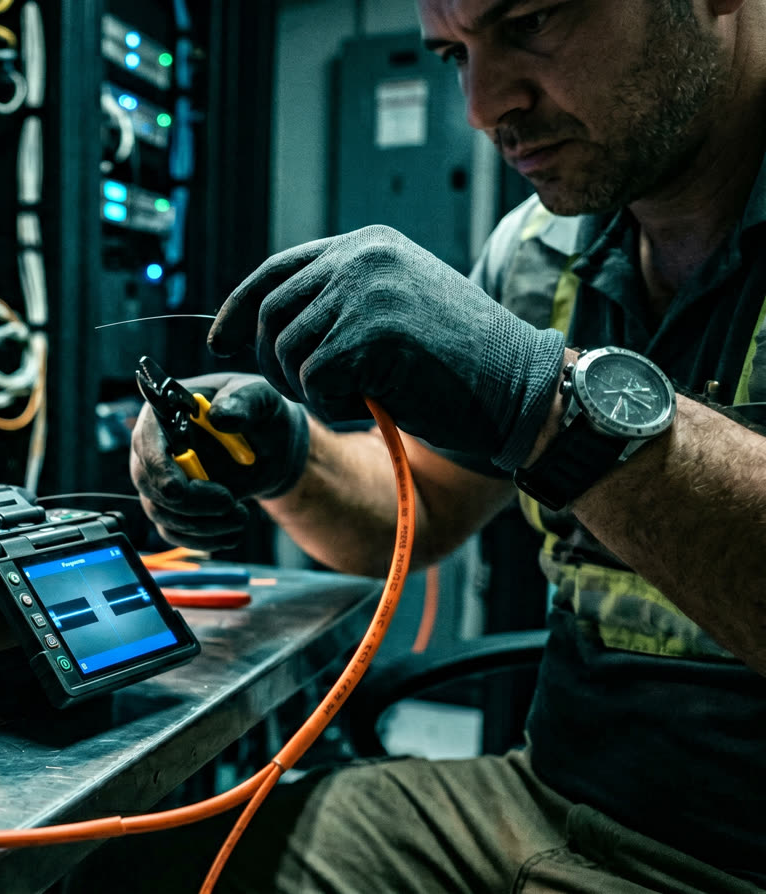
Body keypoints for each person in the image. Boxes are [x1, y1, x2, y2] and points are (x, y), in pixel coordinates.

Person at [118, 0, 766, 891]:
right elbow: (415, 511)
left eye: (531, 21)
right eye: (452, 54)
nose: (482, 105)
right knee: (142, 870)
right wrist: (283, 454)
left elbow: (529, 400)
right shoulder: (543, 251)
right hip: (547, 799)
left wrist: (539, 398)